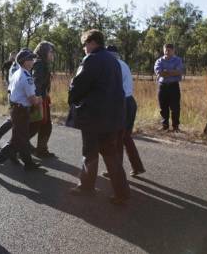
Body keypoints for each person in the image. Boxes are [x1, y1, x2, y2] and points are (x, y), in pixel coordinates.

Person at [67, 29, 130, 205]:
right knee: (111, 153)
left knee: (89, 152)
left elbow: (79, 85)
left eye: (84, 44)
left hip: (94, 115)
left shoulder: (92, 59)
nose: (84, 48)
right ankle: (122, 193)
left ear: (92, 42)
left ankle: (86, 186)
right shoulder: (113, 60)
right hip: (113, 115)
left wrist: (71, 96)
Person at [0, 49, 42, 177]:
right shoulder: (27, 76)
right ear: (24, 62)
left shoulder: (17, 73)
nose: (33, 61)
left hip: (16, 109)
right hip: (21, 110)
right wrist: (39, 100)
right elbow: (32, 99)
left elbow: (11, 91)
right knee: (18, 140)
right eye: (30, 59)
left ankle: (28, 164)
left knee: (21, 138)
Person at [105, 45, 145, 177]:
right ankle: (137, 166)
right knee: (126, 137)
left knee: (116, 137)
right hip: (130, 102)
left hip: (121, 103)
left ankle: (116, 171)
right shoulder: (123, 64)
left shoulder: (113, 65)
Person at [29, 41, 55, 158]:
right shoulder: (39, 64)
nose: (52, 54)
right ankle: (15, 146)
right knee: (36, 126)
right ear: (44, 52)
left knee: (45, 125)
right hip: (39, 99)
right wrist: (38, 102)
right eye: (50, 51)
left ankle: (41, 150)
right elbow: (36, 83)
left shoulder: (42, 64)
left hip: (42, 98)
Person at [0, 52, 21, 148]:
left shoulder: (17, 65)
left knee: (16, 118)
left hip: (14, 93)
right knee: (17, 118)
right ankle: (16, 144)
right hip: (14, 94)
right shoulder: (13, 65)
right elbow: (5, 66)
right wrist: (11, 59)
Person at [154, 44, 185, 132]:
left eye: (169, 50)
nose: (167, 52)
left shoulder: (178, 60)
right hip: (162, 86)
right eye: (166, 50)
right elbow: (159, 72)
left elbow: (179, 71)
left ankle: (175, 127)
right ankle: (165, 126)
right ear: (163, 50)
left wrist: (166, 71)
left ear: (173, 51)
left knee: (175, 108)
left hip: (174, 86)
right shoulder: (159, 61)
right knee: (163, 107)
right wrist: (172, 72)